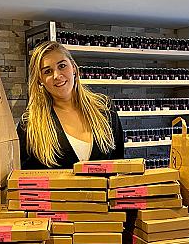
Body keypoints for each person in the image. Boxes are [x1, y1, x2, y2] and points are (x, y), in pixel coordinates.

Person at [17, 41, 124, 169]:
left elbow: (119, 165)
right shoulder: (30, 124)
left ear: (73, 67)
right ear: (40, 80)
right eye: (47, 71)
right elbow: (25, 175)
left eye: (62, 66)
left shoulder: (105, 109)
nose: (57, 75)